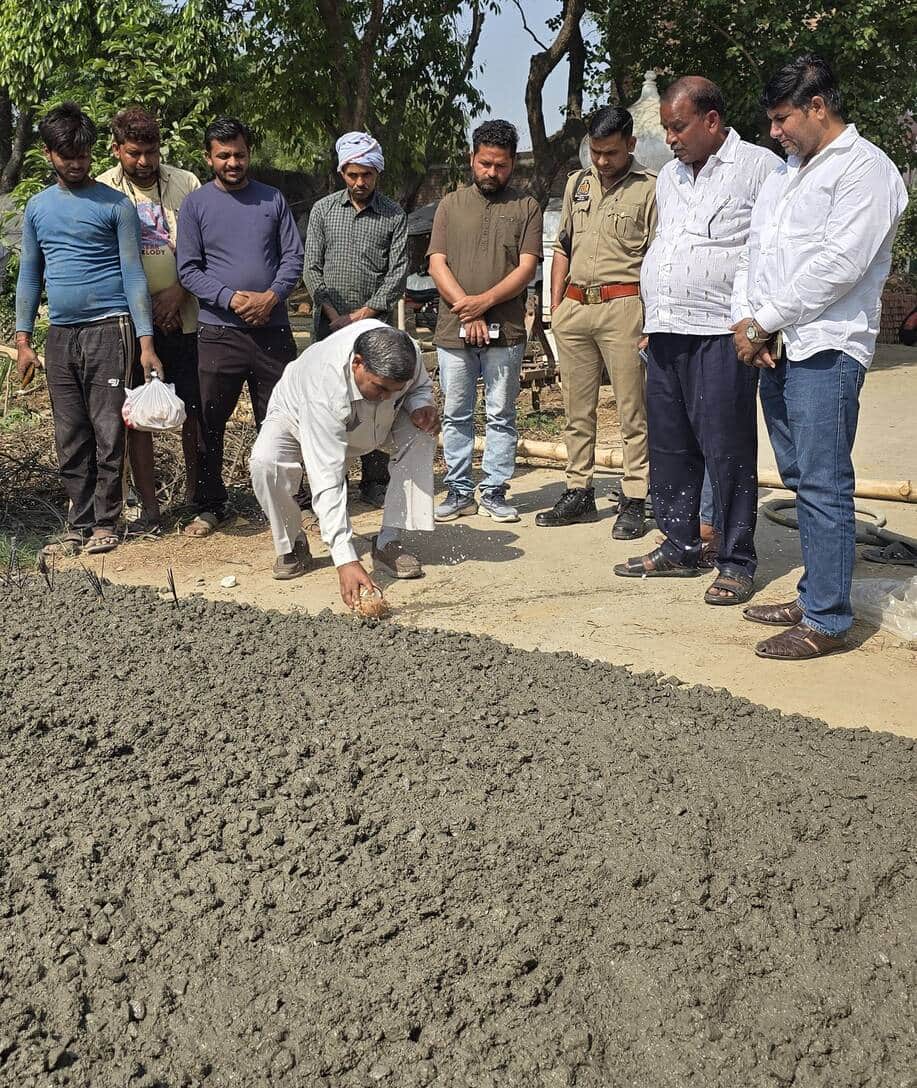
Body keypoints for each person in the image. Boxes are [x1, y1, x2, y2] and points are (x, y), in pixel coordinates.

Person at [732, 55, 908, 659]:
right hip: (777, 347)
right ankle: (816, 594)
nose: (774, 131)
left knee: (824, 483)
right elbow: (754, 253)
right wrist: (748, 320)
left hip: (827, 349)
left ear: (817, 106)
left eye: (782, 119)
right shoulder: (785, 175)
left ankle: (827, 620)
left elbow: (839, 266)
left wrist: (763, 321)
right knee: (801, 479)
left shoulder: (867, 171)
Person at [615, 77, 781, 602]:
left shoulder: (759, 167)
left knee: (727, 450)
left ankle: (735, 560)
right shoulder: (668, 177)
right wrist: (653, 317)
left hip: (720, 333)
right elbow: (668, 246)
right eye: (666, 128)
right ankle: (680, 545)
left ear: (711, 121)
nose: (669, 138)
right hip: (666, 331)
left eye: (678, 127)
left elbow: (767, 249)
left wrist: (757, 323)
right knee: (670, 446)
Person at [14, 102, 162, 557]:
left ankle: (106, 522)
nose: (77, 164)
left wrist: (146, 342)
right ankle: (77, 523)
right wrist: (23, 340)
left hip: (111, 329)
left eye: (83, 155)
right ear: (48, 154)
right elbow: (30, 275)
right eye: (67, 156)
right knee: (70, 431)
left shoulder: (116, 205)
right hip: (61, 333)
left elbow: (134, 274)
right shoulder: (38, 208)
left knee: (108, 429)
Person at [250, 321, 439, 605]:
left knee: (422, 435)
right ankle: (292, 543)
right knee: (265, 463)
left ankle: (388, 540)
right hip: (298, 415)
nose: (387, 396)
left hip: (377, 424)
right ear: (357, 363)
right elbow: (327, 478)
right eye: (381, 388)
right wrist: (345, 559)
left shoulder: (408, 352)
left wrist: (420, 405)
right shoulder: (322, 383)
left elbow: (419, 387)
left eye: (395, 390)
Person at [177, 117, 304, 537]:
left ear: (249, 153)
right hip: (219, 333)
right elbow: (188, 269)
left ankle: (287, 501)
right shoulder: (195, 205)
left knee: (283, 417)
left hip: (272, 329)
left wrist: (271, 297)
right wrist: (230, 299)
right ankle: (211, 505)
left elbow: (293, 258)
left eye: (240, 154)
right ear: (208, 157)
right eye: (224, 155)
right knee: (209, 420)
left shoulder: (272, 198)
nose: (233, 162)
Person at [536, 106, 657, 538]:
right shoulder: (578, 183)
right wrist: (556, 306)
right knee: (576, 409)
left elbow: (657, 259)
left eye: (611, 152)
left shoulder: (651, 189)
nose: (602, 161)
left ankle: (636, 496)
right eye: (595, 151)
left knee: (631, 410)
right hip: (574, 308)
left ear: (631, 144)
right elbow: (563, 245)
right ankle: (578, 490)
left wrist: (651, 321)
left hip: (624, 306)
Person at [427, 119, 543, 523]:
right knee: (456, 413)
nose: (492, 172)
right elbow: (437, 264)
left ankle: (494, 490)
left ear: (513, 164)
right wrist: (467, 308)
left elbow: (526, 269)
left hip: (506, 331)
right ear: (471, 158)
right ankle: (459, 490)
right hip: (453, 330)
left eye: (501, 165)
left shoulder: (527, 207)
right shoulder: (449, 205)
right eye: (485, 163)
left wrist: (483, 304)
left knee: (500, 414)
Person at [97, 106, 202, 535]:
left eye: (152, 152)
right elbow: (103, 260)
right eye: (134, 153)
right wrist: (146, 312)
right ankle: (150, 509)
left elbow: (204, 247)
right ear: (116, 149)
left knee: (193, 411)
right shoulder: (102, 189)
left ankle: (197, 500)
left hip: (187, 317)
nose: (144, 161)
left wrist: (179, 294)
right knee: (136, 417)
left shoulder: (187, 183)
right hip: (129, 324)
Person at [303, 132, 408, 508]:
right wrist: (335, 315)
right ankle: (329, 482)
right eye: (352, 175)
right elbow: (311, 268)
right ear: (341, 173)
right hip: (328, 326)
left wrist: (364, 316)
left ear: (377, 173)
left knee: (375, 401)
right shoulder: (323, 210)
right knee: (328, 403)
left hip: (375, 328)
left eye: (367, 175)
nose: (360, 182)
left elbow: (397, 273)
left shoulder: (394, 215)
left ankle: (375, 480)